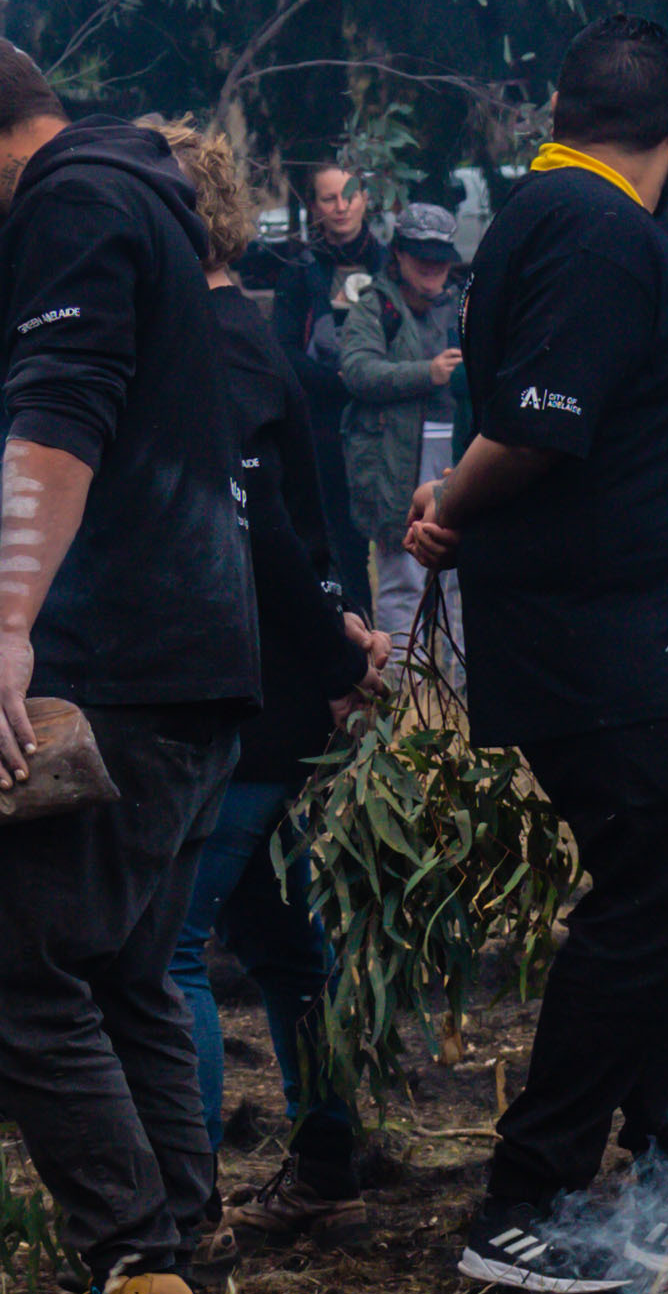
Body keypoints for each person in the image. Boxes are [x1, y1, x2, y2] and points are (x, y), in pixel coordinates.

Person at [407, 19, 668, 1294]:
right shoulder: (587, 228)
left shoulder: (576, 224)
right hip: (620, 645)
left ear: (558, 105)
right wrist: (452, 510)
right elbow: (538, 423)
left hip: (666, 642)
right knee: (649, 901)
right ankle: (525, 1198)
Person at [0, 36, 259, 1294]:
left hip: (113, 677)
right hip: (172, 670)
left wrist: (5, 640)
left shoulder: (70, 209)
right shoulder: (128, 197)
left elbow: (60, 422)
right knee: (118, 979)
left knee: (18, 987)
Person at [156, 124, 384, 1229]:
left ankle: (181, 1208)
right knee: (281, 937)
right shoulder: (238, 337)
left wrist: (342, 652)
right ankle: (329, 1156)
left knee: (168, 952)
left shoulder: (213, 347)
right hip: (277, 687)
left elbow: (272, 541)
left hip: (249, 700)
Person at [319, 203, 471, 626]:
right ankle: (403, 690)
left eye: (440, 255)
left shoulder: (464, 305)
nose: (432, 265)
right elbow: (357, 371)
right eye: (422, 254)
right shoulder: (374, 307)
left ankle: (466, 689)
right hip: (392, 461)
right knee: (402, 579)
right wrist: (429, 373)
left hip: (459, 453)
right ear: (400, 254)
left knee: (465, 578)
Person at [257, 157, 390, 355]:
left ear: (364, 199)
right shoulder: (299, 270)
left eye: (349, 197)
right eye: (329, 199)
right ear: (314, 207)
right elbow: (285, 349)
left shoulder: (389, 264)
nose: (341, 207)